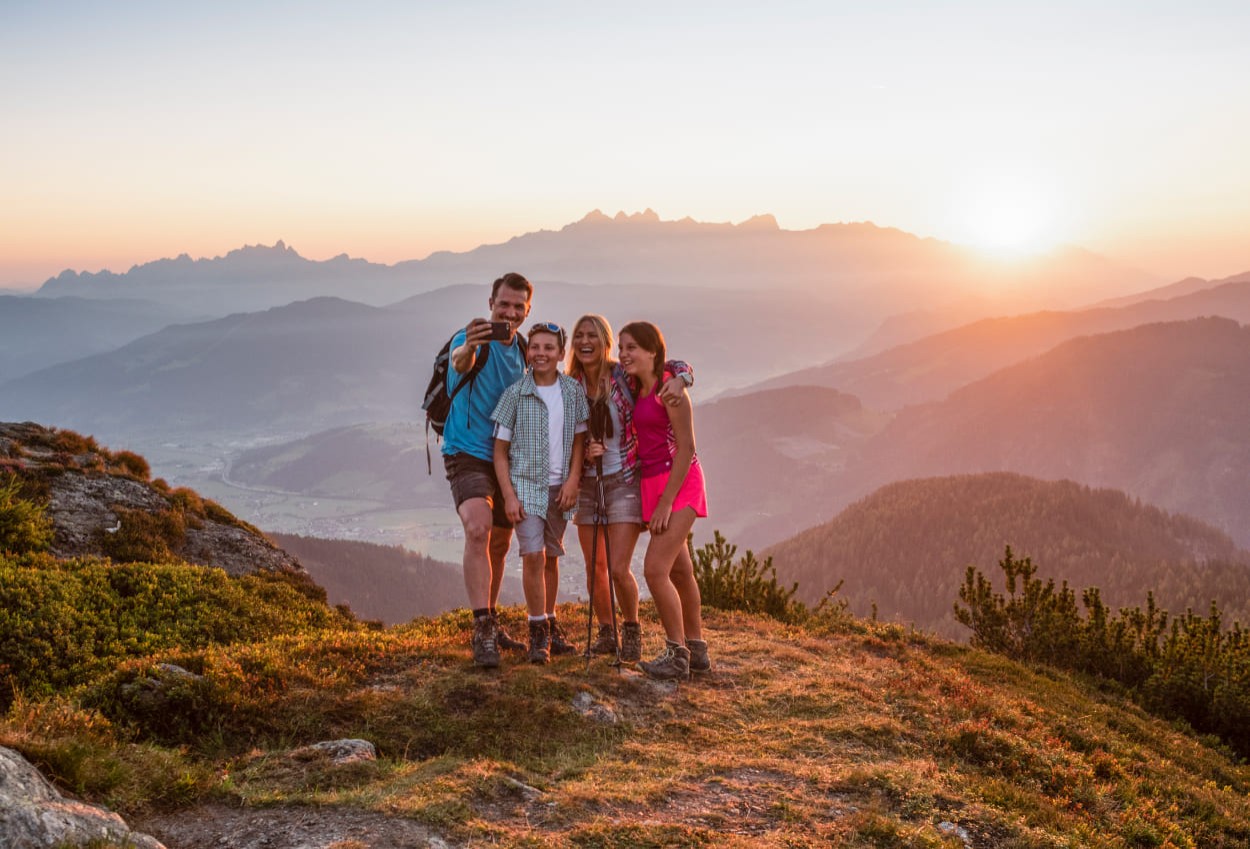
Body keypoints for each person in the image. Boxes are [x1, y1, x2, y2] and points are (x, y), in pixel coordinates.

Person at [566, 314, 693, 663]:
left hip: (624, 480)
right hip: (590, 484)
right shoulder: (571, 384)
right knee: (596, 568)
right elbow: (569, 435)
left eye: (592, 335)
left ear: (604, 341)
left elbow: (668, 364)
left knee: (619, 568)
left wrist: (683, 379)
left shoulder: (621, 375)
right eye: (579, 336)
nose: (585, 341)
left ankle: (632, 630)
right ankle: (607, 633)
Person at [443, 272, 533, 668]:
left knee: (499, 542)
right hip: (466, 449)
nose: (510, 312)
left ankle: (492, 621)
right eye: (504, 304)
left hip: (505, 457)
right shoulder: (470, 341)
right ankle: (481, 629)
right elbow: (461, 364)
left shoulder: (524, 351)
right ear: (490, 303)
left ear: (527, 310)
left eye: (518, 306)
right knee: (477, 527)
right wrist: (470, 346)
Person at [492, 322, 589, 664]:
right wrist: (508, 495)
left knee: (551, 555)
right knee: (532, 555)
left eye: (549, 348)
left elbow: (579, 441)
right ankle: (537, 634)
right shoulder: (515, 394)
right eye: (535, 347)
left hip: (559, 488)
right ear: (527, 352)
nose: (541, 353)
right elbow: (500, 451)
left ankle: (550, 623)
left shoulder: (573, 393)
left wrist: (574, 481)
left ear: (562, 354)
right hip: (525, 487)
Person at [618, 321, 710, 680]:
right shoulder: (631, 385)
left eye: (632, 348)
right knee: (680, 571)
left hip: (679, 482)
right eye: (622, 347)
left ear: (652, 352)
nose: (624, 354)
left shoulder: (670, 391)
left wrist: (665, 503)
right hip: (653, 483)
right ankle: (697, 650)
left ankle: (676, 654)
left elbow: (687, 449)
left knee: (655, 570)